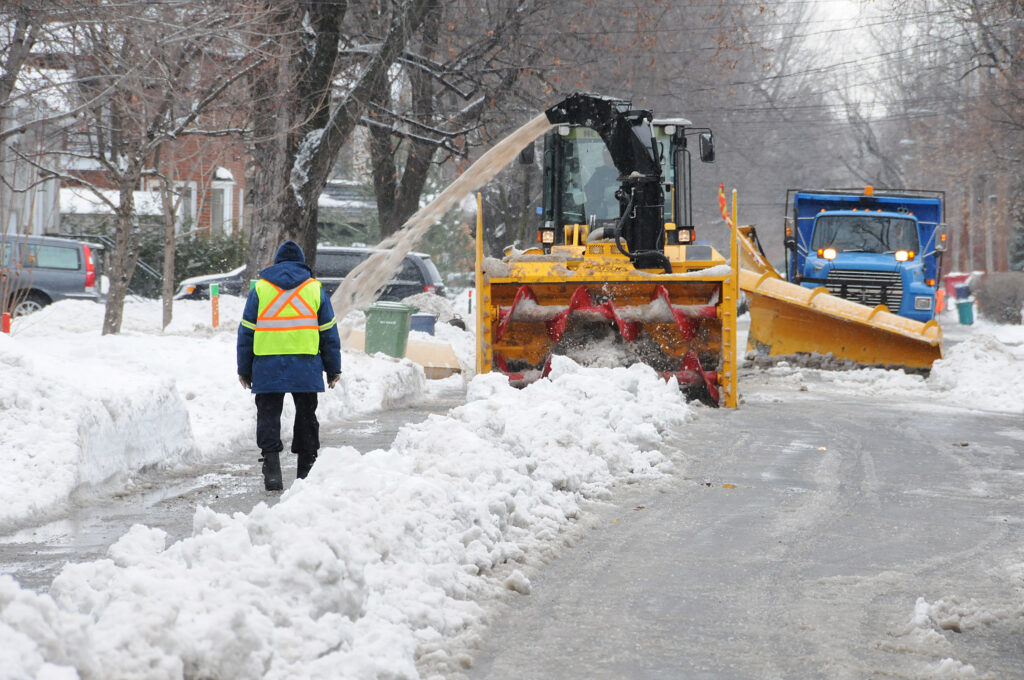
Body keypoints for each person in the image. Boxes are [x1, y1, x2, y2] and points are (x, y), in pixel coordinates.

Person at [237, 240, 342, 490]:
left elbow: (246, 332)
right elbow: (328, 332)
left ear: (277, 262)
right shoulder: (314, 289)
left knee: (268, 415)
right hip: (305, 364)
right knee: (306, 415)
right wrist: (333, 368)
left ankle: (272, 468)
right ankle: (306, 469)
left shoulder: (261, 289)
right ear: (302, 262)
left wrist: (244, 368)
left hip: (267, 364)